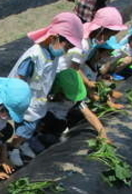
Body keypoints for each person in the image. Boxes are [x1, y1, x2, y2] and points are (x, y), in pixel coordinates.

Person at [7, 12, 84, 166]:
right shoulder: (34, 56)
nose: (66, 51)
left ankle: (22, 145)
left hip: (37, 101)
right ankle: (12, 149)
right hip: (24, 100)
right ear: (53, 38)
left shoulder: (53, 56)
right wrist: (19, 100)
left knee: (32, 127)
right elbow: (20, 79)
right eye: (66, 46)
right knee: (25, 128)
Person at [35, 68, 108, 152]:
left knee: (59, 128)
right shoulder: (45, 91)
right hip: (41, 118)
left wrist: (102, 133)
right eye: (68, 97)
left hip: (58, 121)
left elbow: (89, 115)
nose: (71, 100)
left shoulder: (75, 100)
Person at [58, 7, 128, 88]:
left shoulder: (87, 35)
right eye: (109, 35)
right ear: (101, 30)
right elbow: (75, 67)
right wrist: (88, 82)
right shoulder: (84, 44)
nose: (108, 38)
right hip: (62, 72)